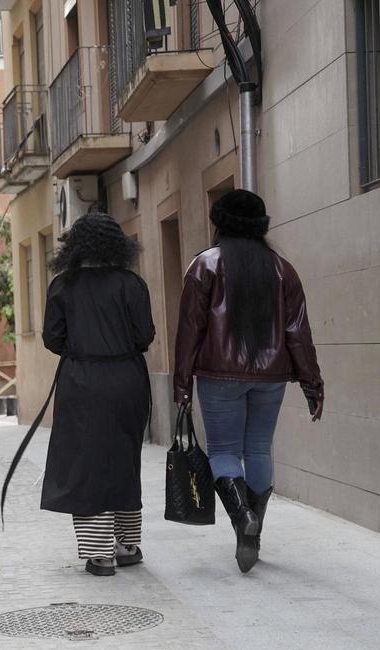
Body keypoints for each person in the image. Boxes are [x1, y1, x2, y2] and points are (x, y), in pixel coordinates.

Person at [173, 189, 324, 574]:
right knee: (258, 450)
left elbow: (190, 329)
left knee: (224, 450)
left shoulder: (204, 266)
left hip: (218, 375)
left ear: (219, 223)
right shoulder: (282, 269)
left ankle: (243, 521)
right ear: (260, 226)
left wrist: (182, 386)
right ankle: (252, 528)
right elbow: (297, 331)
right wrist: (312, 382)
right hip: (271, 376)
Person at [40, 213, 156, 577]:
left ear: (74, 246)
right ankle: (127, 544)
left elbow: (52, 338)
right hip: (127, 380)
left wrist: (82, 346)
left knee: (85, 461)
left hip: (82, 382)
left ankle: (100, 555)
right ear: (118, 246)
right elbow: (144, 337)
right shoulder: (132, 284)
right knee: (125, 456)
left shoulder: (62, 286)